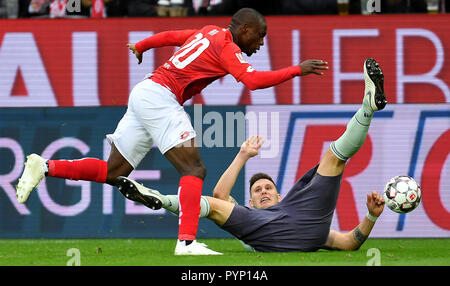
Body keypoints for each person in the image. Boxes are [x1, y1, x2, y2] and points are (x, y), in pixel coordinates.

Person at [15, 8, 328, 255]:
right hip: (161, 96)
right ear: (244, 29)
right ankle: (187, 243)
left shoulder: (208, 32)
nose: (260, 44)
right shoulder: (227, 47)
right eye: (259, 37)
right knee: (194, 167)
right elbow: (254, 82)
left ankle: (45, 166)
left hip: (145, 90)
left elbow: (173, 35)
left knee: (114, 171)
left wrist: (141, 45)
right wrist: (298, 69)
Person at [115, 57, 387, 252]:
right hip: (264, 231)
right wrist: (242, 155)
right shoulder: (251, 216)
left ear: (280, 195)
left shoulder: (306, 219)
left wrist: (372, 216)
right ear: (251, 202)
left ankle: (368, 107)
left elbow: (351, 242)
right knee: (215, 204)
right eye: (258, 190)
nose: (264, 191)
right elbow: (221, 198)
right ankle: (159, 199)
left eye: (268, 188)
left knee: (334, 158)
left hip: (305, 221)